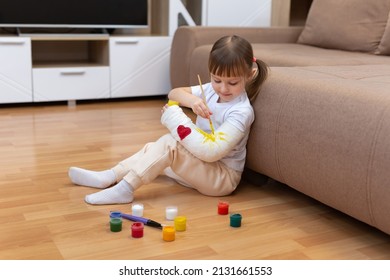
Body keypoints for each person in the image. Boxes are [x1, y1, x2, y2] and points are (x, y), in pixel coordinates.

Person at [68, 35, 269, 205]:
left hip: (221, 177)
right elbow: (174, 93)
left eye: (232, 83)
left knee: (169, 144)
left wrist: (176, 119)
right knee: (151, 149)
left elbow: (211, 152)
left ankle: (126, 188)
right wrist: (191, 101)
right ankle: (109, 176)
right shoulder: (209, 89)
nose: (223, 88)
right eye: (217, 80)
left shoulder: (241, 111)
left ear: (249, 75)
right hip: (201, 165)